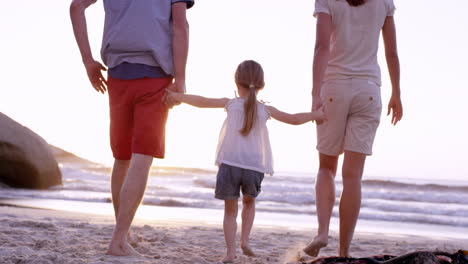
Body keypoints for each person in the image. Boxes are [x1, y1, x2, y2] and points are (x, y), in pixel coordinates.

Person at [167, 60, 327, 263]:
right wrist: (316, 115)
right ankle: (245, 241)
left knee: (230, 210)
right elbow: (293, 119)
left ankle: (231, 252)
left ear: (236, 82)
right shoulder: (265, 110)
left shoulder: (231, 104)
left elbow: (202, 101)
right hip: (254, 167)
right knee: (249, 204)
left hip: (230, 164)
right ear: (261, 85)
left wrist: (176, 96)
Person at [69, 0, 194, 256]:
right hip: (154, 75)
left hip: (117, 75)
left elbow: (76, 7)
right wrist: (180, 78)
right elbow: (180, 26)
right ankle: (118, 241)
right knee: (142, 157)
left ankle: (123, 233)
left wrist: (87, 61)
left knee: (122, 157)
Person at [304, 0, 403, 257]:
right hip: (369, 89)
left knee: (326, 167)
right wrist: (396, 93)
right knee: (353, 176)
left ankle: (323, 231)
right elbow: (391, 52)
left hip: (334, 87)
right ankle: (343, 251)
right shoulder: (384, 2)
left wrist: (316, 93)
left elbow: (321, 46)